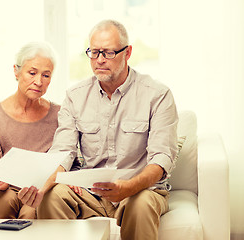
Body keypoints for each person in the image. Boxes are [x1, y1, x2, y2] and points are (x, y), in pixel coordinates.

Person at [18, 20, 179, 240]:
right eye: (94, 52)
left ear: (127, 52)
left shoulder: (157, 95)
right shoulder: (75, 96)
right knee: (51, 197)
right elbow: (63, 152)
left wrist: (129, 187)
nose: (100, 60)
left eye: (109, 53)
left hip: (140, 190)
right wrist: (41, 188)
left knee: (140, 205)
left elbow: (162, 159)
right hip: (91, 193)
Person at [0, 41, 61, 219]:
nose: (38, 81)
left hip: (41, 190)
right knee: (5, 201)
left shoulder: (60, 114)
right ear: (16, 71)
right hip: (5, 191)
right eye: (32, 73)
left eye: (46, 75)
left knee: (30, 210)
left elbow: (67, 160)